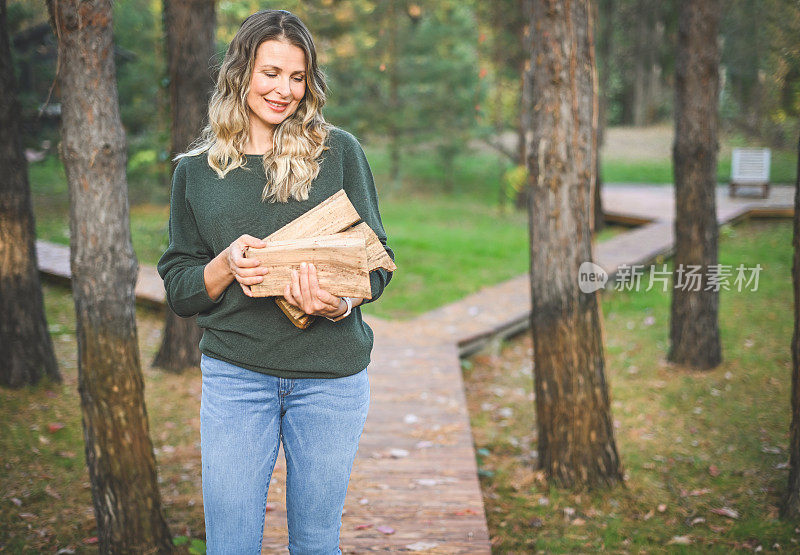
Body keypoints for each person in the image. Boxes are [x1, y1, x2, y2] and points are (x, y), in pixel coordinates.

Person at [156, 9, 394, 554]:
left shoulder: (338, 153)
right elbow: (179, 285)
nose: (283, 90)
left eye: (297, 77)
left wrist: (340, 302)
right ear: (240, 73)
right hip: (236, 379)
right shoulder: (196, 173)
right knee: (231, 543)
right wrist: (224, 267)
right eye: (270, 73)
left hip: (330, 379)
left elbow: (378, 262)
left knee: (314, 542)